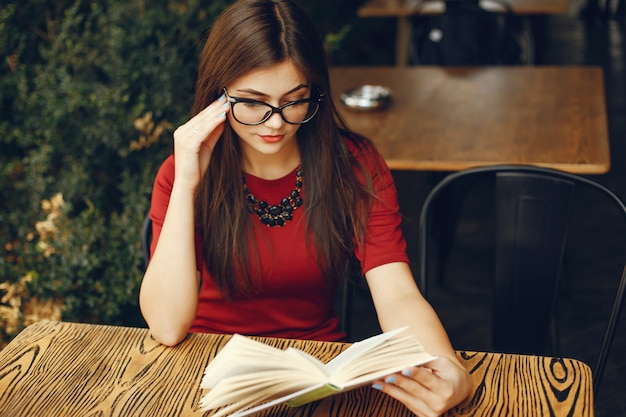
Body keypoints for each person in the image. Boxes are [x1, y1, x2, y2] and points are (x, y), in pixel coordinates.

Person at [139, 0, 471, 415]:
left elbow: (397, 292)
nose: (275, 122)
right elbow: (167, 327)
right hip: (204, 375)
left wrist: (449, 367)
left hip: (312, 374)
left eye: (294, 99)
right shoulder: (182, 172)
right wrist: (187, 181)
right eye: (253, 102)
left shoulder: (354, 165)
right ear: (217, 97)